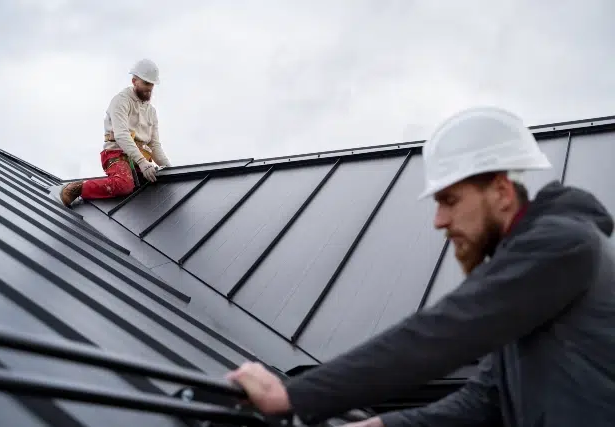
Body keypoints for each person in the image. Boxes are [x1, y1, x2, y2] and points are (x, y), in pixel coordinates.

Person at [225, 106, 615, 426]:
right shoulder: (534, 285)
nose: (439, 221)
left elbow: (447, 330)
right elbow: (485, 399)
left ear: (500, 191)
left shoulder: (563, 244)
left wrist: (290, 394)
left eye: (450, 200)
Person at [54, 58, 171, 207]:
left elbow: (154, 145)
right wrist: (142, 162)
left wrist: (170, 170)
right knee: (124, 184)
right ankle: (77, 188)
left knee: (158, 181)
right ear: (134, 81)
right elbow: (122, 135)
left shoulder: (151, 112)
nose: (149, 88)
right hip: (117, 153)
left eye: (152, 84)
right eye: (146, 83)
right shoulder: (121, 101)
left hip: (140, 159)